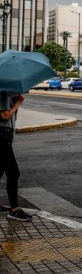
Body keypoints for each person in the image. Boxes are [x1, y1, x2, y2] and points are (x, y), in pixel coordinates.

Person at [0, 91, 32, 222]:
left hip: (4, 138)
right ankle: (14, 210)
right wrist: (18, 102)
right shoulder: (2, 94)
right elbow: (5, 115)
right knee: (13, 173)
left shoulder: (7, 95)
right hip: (1, 139)